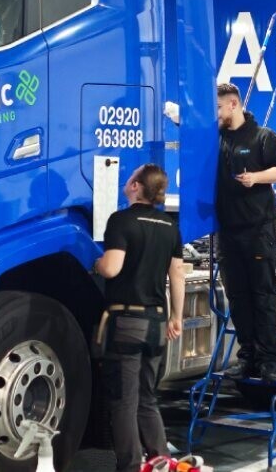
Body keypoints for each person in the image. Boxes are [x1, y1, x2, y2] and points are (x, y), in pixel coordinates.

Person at [94, 164, 184, 472]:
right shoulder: (169, 225)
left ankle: (131, 466)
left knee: (124, 401)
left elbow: (112, 268)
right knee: (147, 398)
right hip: (157, 323)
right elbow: (177, 274)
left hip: (126, 323)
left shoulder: (121, 220)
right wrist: (177, 317)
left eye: (131, 177)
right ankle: (161, 460)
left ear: (136, 186)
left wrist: (97, 263)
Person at [215, 82, 276, 383]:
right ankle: (247, 356)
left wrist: (256, 178)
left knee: (262, 296)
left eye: (219, 108)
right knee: (237, 297)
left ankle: (268, 361)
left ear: (233, 104)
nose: (216, 114)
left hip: (258, 229)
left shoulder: (263, 137)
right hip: (228, 231)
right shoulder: (218, 138)